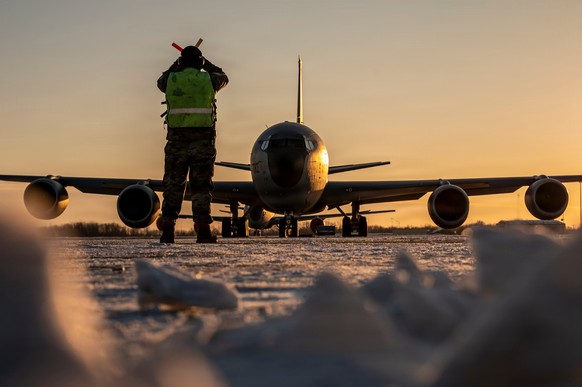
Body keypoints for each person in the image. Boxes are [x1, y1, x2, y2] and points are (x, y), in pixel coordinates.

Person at [157, 45, 229, 243]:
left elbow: (160, 81)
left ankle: (168, 230)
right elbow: (223, 76)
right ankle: (203, 230)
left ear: (181, 62)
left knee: (172, 185)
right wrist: (207, 64)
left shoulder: (170, 79)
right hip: (202, 142)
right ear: (199, 63)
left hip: (176, 142)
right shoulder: (209, 79)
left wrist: (176, 65)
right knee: (201, 187)